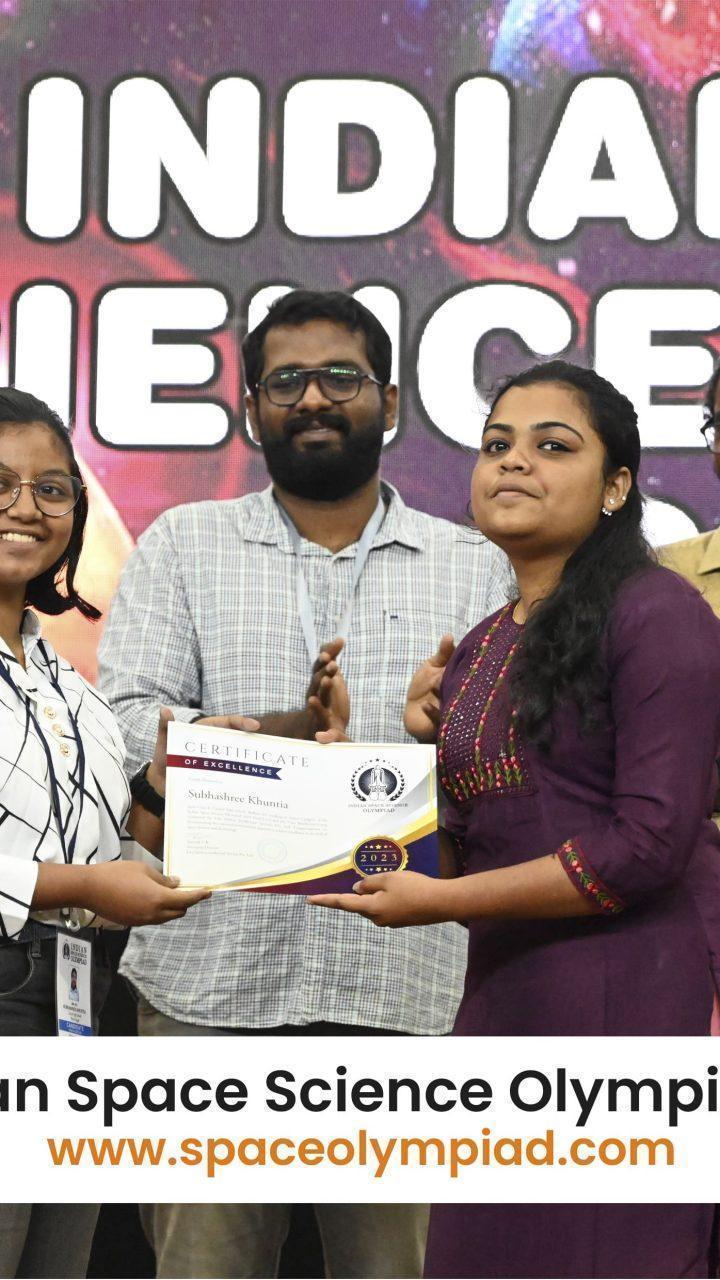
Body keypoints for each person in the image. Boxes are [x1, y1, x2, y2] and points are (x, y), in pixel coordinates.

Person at [97, 289, 509, 1280]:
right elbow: (125, 726)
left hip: (404, 991)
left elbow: (509, 769)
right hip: (210, 986)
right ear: (251, 409)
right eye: (286, 381)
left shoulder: (476, 567)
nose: (314, 398)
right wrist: (280, 738)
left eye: (340, 377)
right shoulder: (183, 545)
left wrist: (433, 736)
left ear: (391, 402)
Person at [311, 360, 720, 1279]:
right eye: (497, 443)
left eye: (553, 446)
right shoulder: (486, 642)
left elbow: (646, 846)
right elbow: (462, 839)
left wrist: (439, 904)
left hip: (630, 994)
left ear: (617, 486)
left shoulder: (660, 612)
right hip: (506, 995)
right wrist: (339, 784)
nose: (514, 461)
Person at [0, 388, 221, 1280]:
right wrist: (87, 888)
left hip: (78, 1005)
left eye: (52, 489)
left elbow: (110, 848)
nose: (26, 506)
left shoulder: (67, 685)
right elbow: (81, 877)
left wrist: (174, 782)